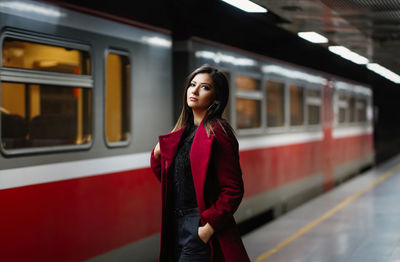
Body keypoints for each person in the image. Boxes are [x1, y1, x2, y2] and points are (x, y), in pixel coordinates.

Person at [150, 64, 250, 262]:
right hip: (176, 223)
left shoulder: (218, 132)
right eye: (192, 85)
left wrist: (208, 227)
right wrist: (156, 155)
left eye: (204, 87)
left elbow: (233, 189)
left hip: (199, 223)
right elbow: (171, 179)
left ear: (216, 99)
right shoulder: (184, 132)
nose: (194, 90)